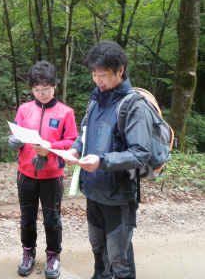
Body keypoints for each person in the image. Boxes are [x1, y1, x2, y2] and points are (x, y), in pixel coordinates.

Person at [65, 40, 152, 279]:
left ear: (120, 70)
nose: (97, 80)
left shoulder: (133, 106)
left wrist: (102, 161)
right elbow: (84, 135)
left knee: (118, 257)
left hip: (118, 195)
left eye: (102, 74)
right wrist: (75, 149)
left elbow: (140, 153)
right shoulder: (95, 100)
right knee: (98, 248)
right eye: (94, 74)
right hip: (93, 191)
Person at [8, 61, 78, 279]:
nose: (41, 94)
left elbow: (72, 142)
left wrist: (51, 148)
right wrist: (14, 142)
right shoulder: (24, 109)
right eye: (37, 90)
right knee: (27, 217)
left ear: (54, 85)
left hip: (52, 176)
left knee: (52, 219)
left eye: (45, 89)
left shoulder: (66, 112)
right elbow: (17, 134)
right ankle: (28, 252)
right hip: (26, 173)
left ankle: (53, 255)